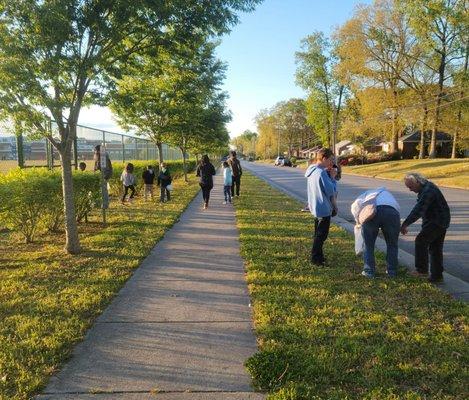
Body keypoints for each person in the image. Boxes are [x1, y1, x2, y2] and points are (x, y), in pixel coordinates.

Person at [400, 172, 450, 283]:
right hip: (439, 220)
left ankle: (421, 271)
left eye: (411, 186)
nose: (410, 190)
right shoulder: (425, 188)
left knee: (421, 241)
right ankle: (437, 277)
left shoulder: (428, 191)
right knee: (435, 248)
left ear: (417, 182)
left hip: (438, 221)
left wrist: (405, 224)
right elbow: (425, 212)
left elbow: (418, 210)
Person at [351, 188, 401, 278]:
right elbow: (396, 208)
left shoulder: (367, 194)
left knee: (368, 245)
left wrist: (357, 220)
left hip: (371, 212)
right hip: (392, 213)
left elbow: (355, 205)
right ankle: (392, 271)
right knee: (392, 244)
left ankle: (369, 271)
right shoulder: (388, 194)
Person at [304, 148, 337, 266]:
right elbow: (331, 191)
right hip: (323, 208)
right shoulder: (322, 173)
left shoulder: (311, 170)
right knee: (321, 235)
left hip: (315, 206)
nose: (331, 163)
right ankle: (315, 258)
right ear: (323, 158)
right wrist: (332, 178)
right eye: (330, 160)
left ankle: (319, 256)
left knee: (317, 234)